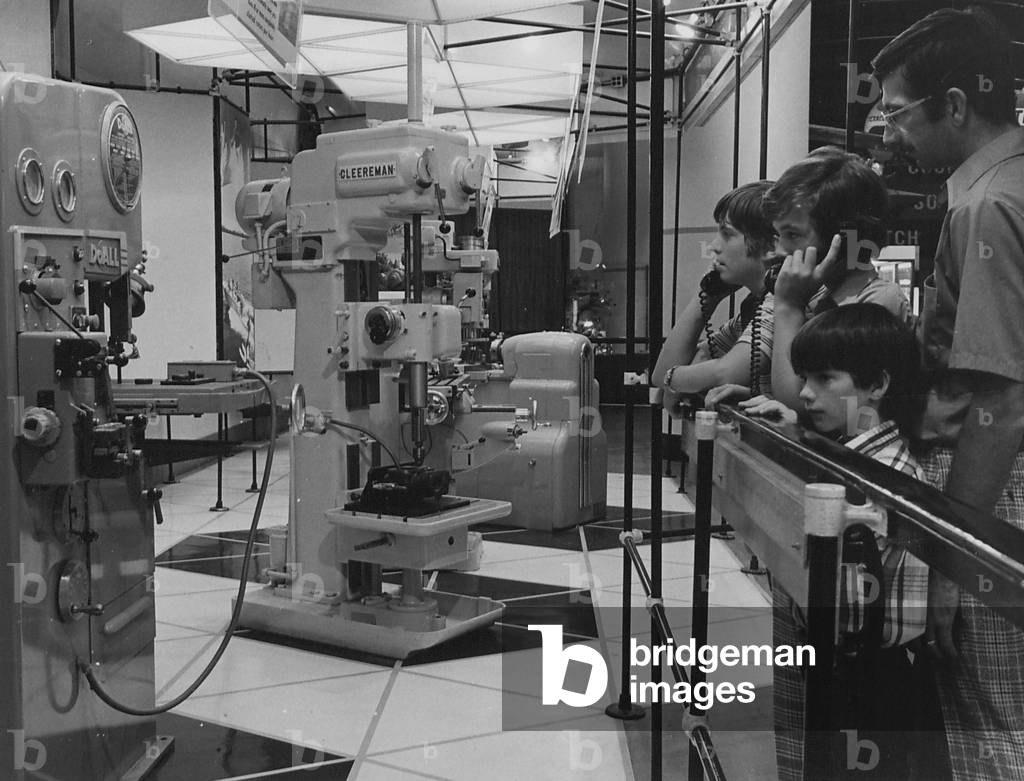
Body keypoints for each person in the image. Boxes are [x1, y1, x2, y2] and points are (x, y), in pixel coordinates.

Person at [872, 8, 1024, 780]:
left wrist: (952, 559)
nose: (886, 130)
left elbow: (1001, 401)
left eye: (896, 111)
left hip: (1001, 491)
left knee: (991, 714)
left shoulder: (986, 205)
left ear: (956, 104)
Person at [743, 304, 940, 780]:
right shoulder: (853, 456)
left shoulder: (885, 477)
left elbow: (846, 604)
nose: (806, 393)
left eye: (826, 379)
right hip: (855, 664)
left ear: (878, 385)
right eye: (805, 377)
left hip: (870, 674)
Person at [759, 147, 911, 412]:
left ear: (839, 240)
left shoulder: (876, 303)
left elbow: (800, 402)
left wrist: (788, 307)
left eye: (793, 235)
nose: (780, 250)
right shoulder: (816, 295)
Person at [654, 181, 778, 410]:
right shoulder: (755, 305)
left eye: (727, 234)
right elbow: (661, 371)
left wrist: (672, 380)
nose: (713, 246)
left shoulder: (780, 300)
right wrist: (706, 296)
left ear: (770, 246)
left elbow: (723, 372)